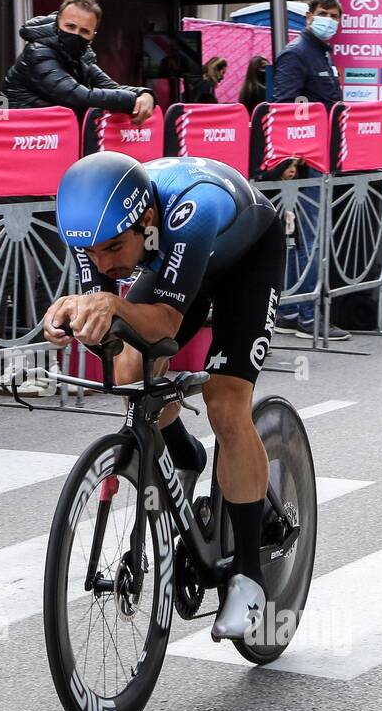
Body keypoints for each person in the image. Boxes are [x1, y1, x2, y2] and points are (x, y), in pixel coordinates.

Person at [42, 151, 286, 641]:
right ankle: (182, 453)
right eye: (91, 254)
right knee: (132, 366)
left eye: (113, 249)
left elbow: (166, 327)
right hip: (178, 264)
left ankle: (248, 579)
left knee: (224, 403)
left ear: (147, 220)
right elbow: (113, 336)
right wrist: (69, 318)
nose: (103, 264)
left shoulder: (189, 213)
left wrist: (110, 303)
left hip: (246, 259)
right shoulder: (96, 233)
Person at [270, 0, 349, 339]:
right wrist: (291, 159)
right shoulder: (296, 53)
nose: (329, 20)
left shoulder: (324, 54)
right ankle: (307, 316)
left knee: (301, 238)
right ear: (309, 17)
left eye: (334, 15)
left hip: (321, 158)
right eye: (323, 14)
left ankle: (289, 310)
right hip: (304, 162)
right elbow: (283, 108)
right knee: (309, 239)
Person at [1, 0, 154, 124]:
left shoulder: (82, 56)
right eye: (70, 27)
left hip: (52, 138)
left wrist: (145, 94)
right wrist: (133, 100)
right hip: (21, 139)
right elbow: (77, 97)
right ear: (57, 24)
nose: (75, 34)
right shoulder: (38, 51)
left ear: (92, 38)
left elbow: (111, 87)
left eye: (84, 31)